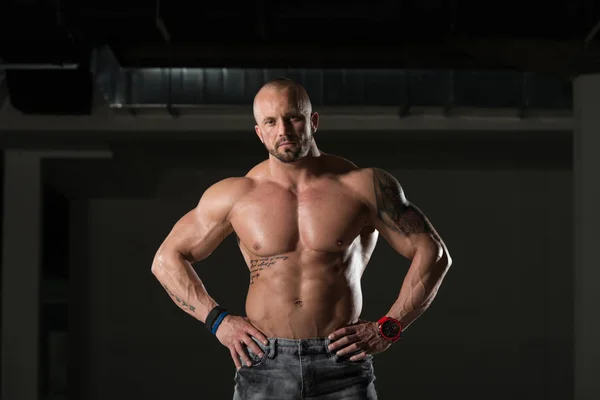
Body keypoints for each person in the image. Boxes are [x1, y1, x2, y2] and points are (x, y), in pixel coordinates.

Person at [151, 78, 452, 399]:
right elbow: (166, 260)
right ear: (259, 132)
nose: (283, 129)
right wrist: (218, 322)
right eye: (270, 121)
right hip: (263, 362)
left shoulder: (362, 186)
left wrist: (389, 327)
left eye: (293, 117)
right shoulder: (235, 195)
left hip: (342, 363)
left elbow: (432, 253)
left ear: (313, 121)